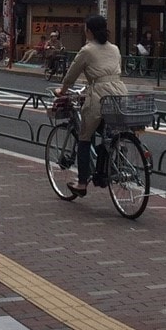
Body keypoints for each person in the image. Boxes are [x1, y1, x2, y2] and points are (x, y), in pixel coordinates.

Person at [55, 13, 129, 197]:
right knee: (107, 133)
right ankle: (103, 172)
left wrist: (63, 90)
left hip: (99, 94)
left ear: (89, 31)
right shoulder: (115, 48)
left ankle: (81, 183)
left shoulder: (87, 50)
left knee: (85, 137)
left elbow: (71, 74)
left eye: (85, 28)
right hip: (120, 92)